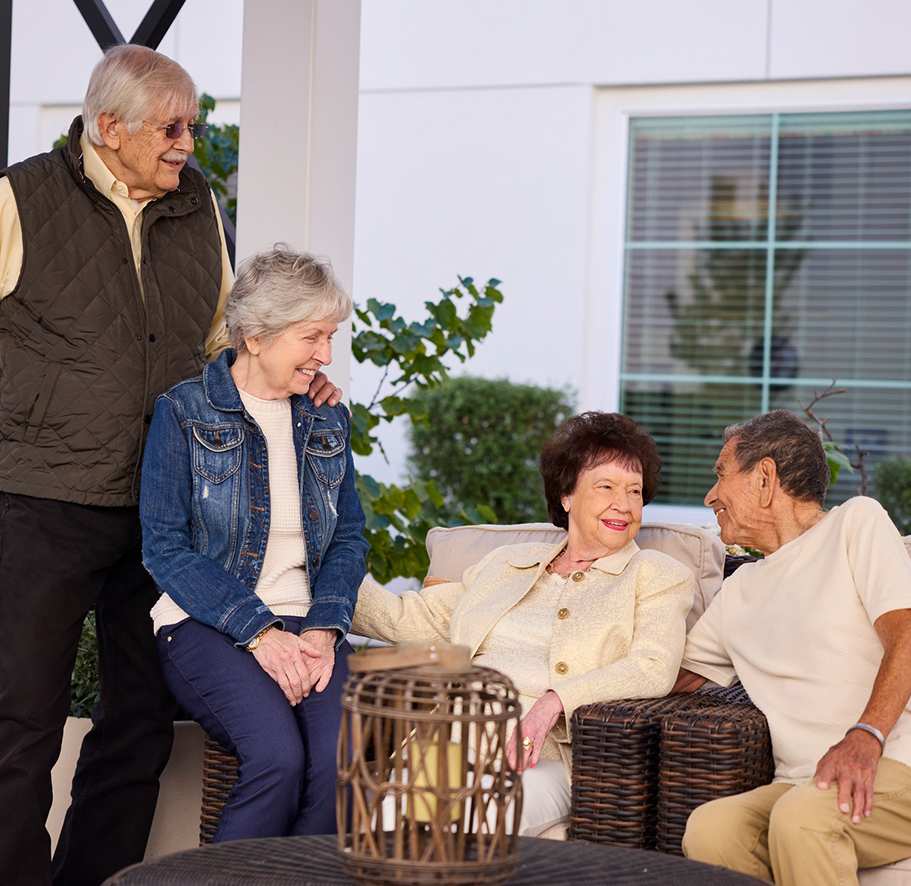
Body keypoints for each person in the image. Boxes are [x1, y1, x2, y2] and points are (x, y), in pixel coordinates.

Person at [0, 45, 339, 886]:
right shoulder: (19, 198)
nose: (189, 142)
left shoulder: (198, 205)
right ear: (108, 127)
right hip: (42, 497)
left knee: (141, 721)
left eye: (192, 125)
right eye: (172, 127)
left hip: (169, 511)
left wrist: (298, 375)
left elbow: (225, 337)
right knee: (20, 722)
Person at [352, 411, 695, 837]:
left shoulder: (656, 575)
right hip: (453, 738)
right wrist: (319, 581)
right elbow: (411, 618)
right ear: (566, 495)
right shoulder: (507, 564)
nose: (623, 505)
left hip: (541, 753)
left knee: (462, 826)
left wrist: (555, 702)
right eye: (605, 486)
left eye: (635, 491)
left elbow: (653, 667)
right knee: (386, 825)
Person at [140, 245, 368, 842]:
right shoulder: (184, 412)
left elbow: (348, 536)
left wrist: (323, 629)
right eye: (311, 337)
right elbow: (165, 548)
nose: (325, 355)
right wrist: (261, 633)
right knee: (277, 760)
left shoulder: (327, 417)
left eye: (330, 337)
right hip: (207, 623)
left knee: (341, 765)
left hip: (311, 624)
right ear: (256, 336)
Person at [676, 410, 911, 886]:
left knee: (803, 818)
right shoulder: (739, 590)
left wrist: (866, 737)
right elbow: (672, 677)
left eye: (721, 475)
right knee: (711, 830)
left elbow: (906, 634)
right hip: (801, 782)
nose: (710, 496)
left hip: (893, 760)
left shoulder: (855, 523)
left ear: (765, 478)